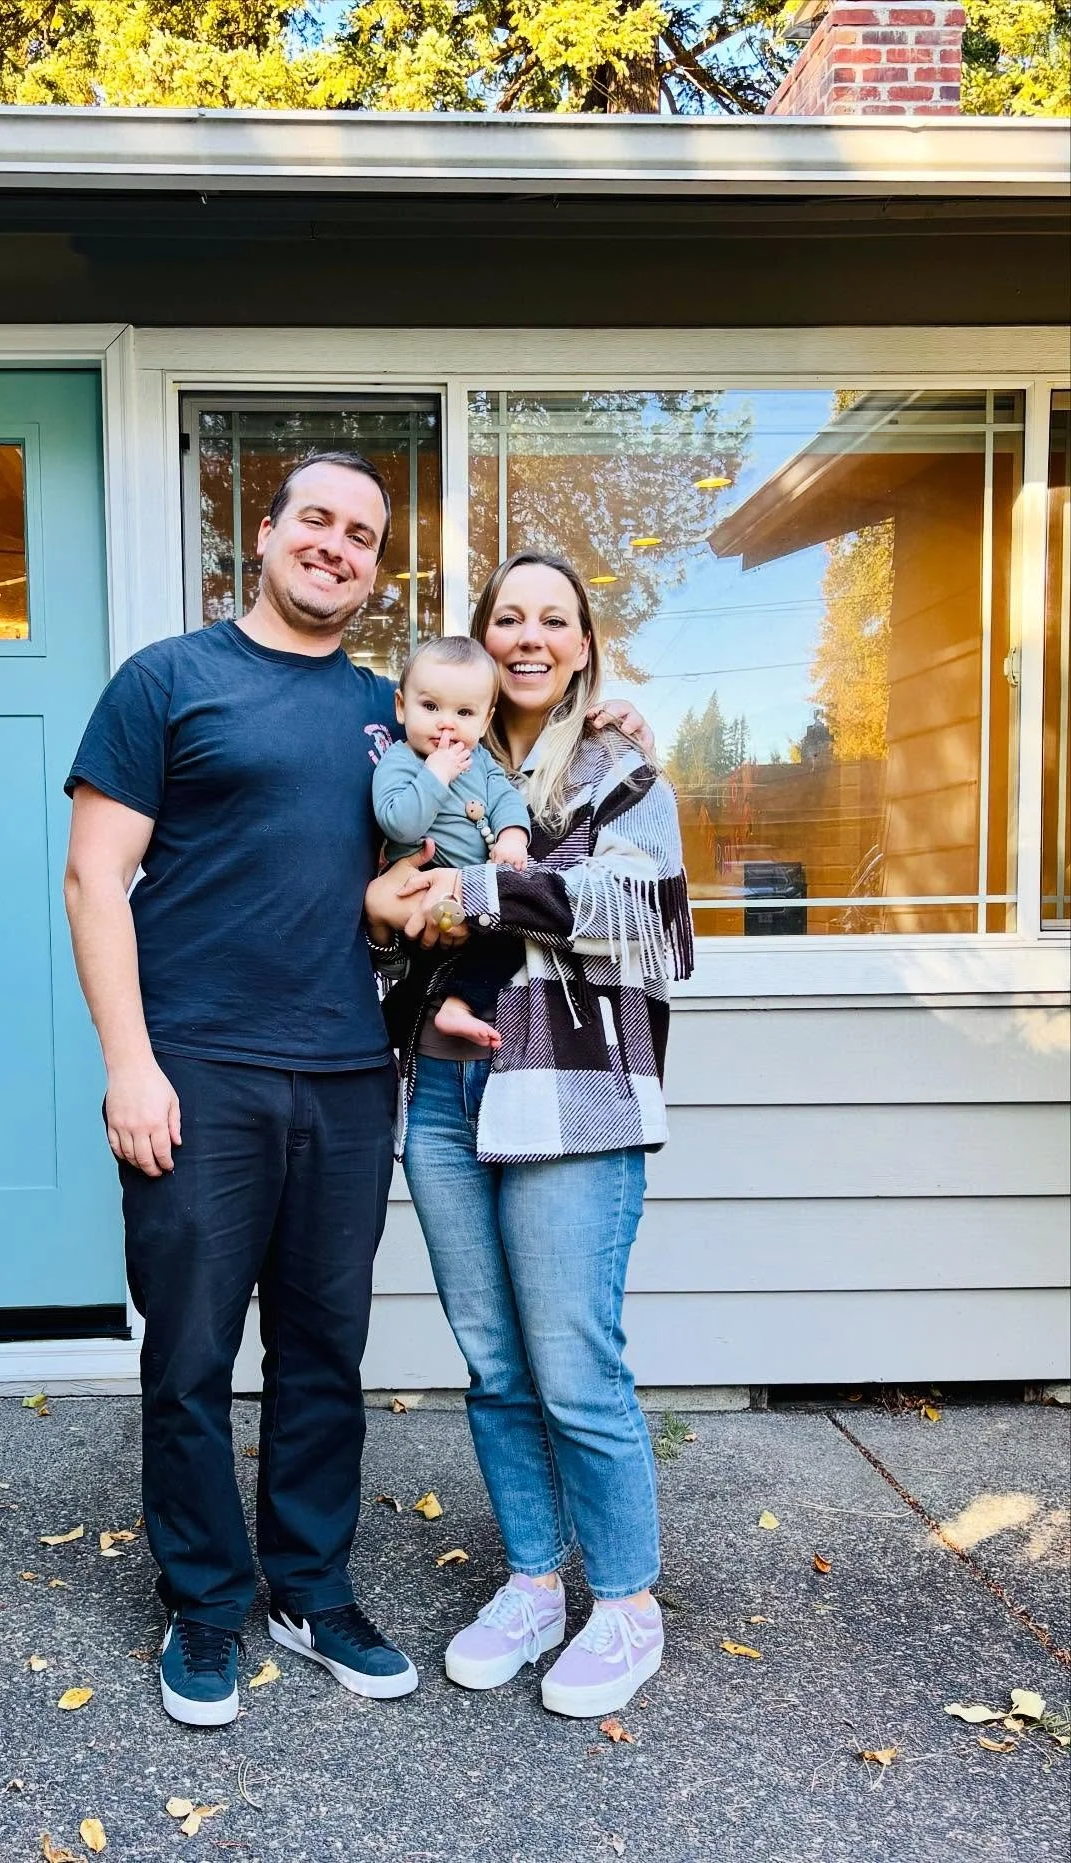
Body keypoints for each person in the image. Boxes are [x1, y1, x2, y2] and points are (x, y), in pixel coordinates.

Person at [64, 455, 653, 1729]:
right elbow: (93, 879)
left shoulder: (392, 718)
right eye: (314, 522)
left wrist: (608, 722)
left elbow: (452, 835)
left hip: (348, 1076)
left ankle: (312, 1590)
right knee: (193, 1354)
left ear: (377, 570)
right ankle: (207, 1607)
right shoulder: (168, 682)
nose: (335, 546)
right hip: (199, 1072)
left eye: (363, 535)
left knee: (326, 1353)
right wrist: (129, 1064)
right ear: (266, 535)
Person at [364, 549, 692, 1722]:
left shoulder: (618, 765)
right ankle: (536, 1581)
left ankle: (626, 1604)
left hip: (569, 1096)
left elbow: (643, 916)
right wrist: (417, 965)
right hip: (446, 1100)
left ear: (586, 644)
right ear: (481, 640)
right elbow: (385, 921)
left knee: (571, 1360)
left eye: (555, 618)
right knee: (495, 1366)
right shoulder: (432, 762)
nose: (530, 636)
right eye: (510, 617)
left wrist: (482, 895)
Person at [372, 635, 530, 1050]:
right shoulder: (400, 762)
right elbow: (399, 824)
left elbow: (506, 798)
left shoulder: (481, 760)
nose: (446, 723)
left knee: (511, 939)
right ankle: (386, 1032)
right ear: (402, 707)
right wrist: (435, 775)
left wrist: (512, 838)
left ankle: (457, 1007)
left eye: (463, 712)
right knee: (420, 975)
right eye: (430, 707)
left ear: (485, 719)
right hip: (418, 892)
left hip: (475, 895)